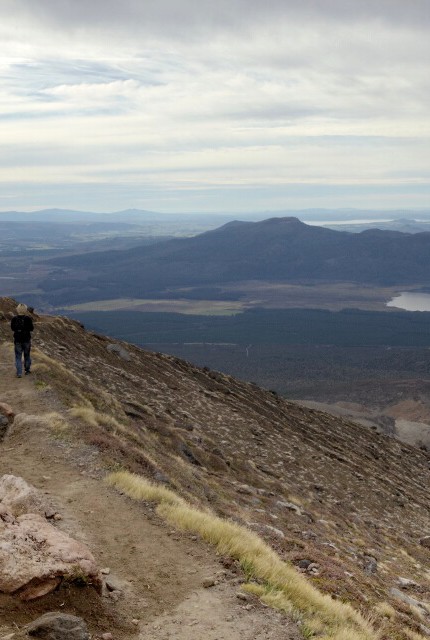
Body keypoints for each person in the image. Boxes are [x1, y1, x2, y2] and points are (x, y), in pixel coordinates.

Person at [11, 303, 34, 378]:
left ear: (18, 310)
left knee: (18, 356)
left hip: (17, 340)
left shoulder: (14, 318)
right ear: (25, 310)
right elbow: (31, 328)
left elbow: (12, 328)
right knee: (27, 355)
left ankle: (19, 373)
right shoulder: (28, 318)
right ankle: (27, 370)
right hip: (26, 340)